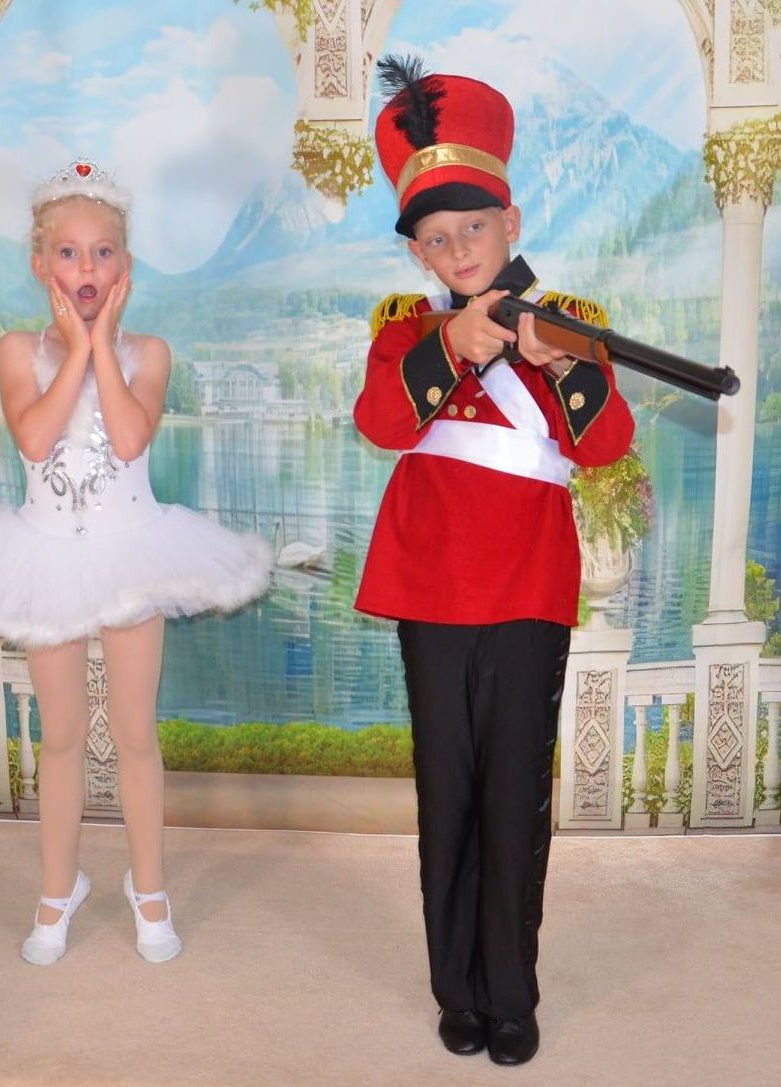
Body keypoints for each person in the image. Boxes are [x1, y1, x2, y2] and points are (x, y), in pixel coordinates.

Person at [0, 160, 272, 967]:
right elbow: (36, 439)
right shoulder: (16, 350)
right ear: (41, 264)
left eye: (103, 252)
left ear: (125, 265)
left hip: (134, 552)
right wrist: (75, 348)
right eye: (68, 253)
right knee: (61, 734)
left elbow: (129, 439)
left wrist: (103, 346)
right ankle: (56, 889)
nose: (86, 267)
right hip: (45, 556)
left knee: (135, 731)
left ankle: (149, 888)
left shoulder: (151, 353)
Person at [354, 58, 635, 1065]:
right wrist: (458, 346)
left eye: (473, 226)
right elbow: (383, 422)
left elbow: (605, 445)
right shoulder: (407, 334)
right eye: (435, 236)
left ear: (510, 222)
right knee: (449, 798)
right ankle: (456, 989)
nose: (457, 248)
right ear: (417, 251)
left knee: (516, 797)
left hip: (525, 592)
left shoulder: (568, 325)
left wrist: (563, 369)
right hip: (429, 592)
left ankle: (510, 993)